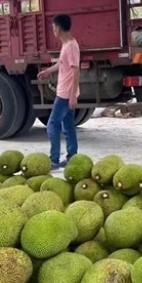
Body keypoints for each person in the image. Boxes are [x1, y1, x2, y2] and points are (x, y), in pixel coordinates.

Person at [38, 14, 80, 170]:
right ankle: (72, 158)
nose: (53, 30)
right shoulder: (67, 44)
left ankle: (54, 159)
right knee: (68, 126)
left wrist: (72, 96)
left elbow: (76, 71)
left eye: (54, 28)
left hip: (65, 94)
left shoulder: (71, 46)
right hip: (64, 92)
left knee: (52, 125)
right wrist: (48, 71)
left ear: (59, 28)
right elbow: (63, 65)